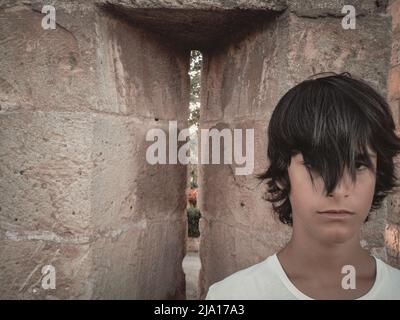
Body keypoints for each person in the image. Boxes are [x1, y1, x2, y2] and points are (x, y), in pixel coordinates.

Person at [205, 72, 400, 300]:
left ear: (379, 173)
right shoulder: (232, 297)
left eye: (358, 165)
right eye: (315, 165)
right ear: (282, 174)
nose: (338, 189)